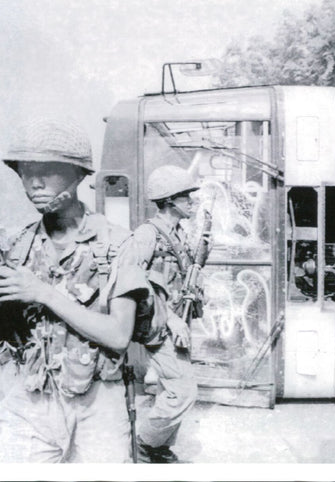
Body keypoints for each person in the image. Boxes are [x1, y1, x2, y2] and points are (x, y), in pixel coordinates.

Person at [0, 117, 148, 463]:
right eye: (26, 171)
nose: (35, 182)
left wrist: (42, 292)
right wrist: (0, 303)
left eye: (49, 170)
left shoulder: (117, 244)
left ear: (78, 174)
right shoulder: (18, 245)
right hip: (32, 399)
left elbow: (118, 335)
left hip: (97, 402)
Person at [126, 165, 202, 463]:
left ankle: (158, 451)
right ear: (170, 200)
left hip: (177, 323)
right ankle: (143, 445)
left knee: (172, 389)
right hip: (160, 326)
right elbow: (133, 277)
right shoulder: (147, 234)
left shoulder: (176, 234)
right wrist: (171, 317)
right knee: (184, 392)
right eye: (186, 197)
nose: (191, 202)